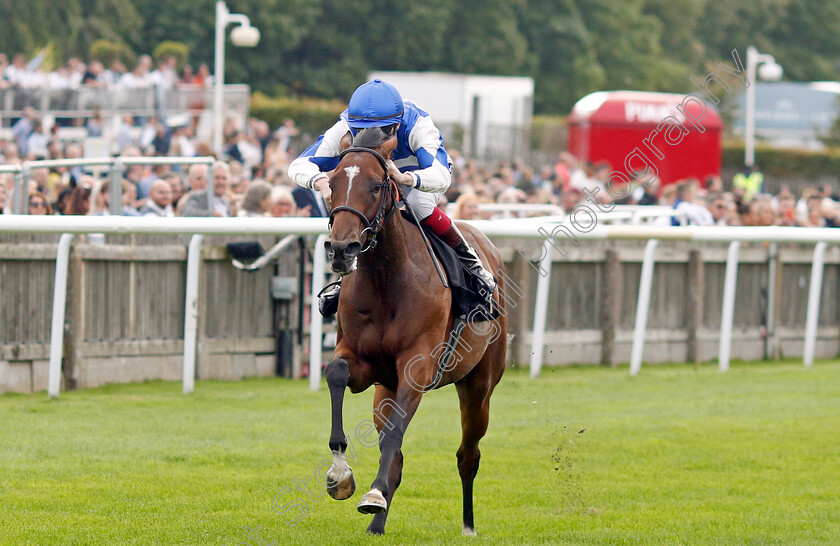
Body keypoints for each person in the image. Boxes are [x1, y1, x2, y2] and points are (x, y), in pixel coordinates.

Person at [288, 79, 496, 316]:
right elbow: (298, 165)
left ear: (397, 126)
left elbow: (440, 176)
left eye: (382, 132)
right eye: (363, 132)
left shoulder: (418, 124)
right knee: (358, 205)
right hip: (373, 178)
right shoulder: (344, 125)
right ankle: (344, 277)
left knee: (417, 205)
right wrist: (321, 183)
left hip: (418, 172)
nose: (373, 138)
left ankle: (472, 265)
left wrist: (406, 179)